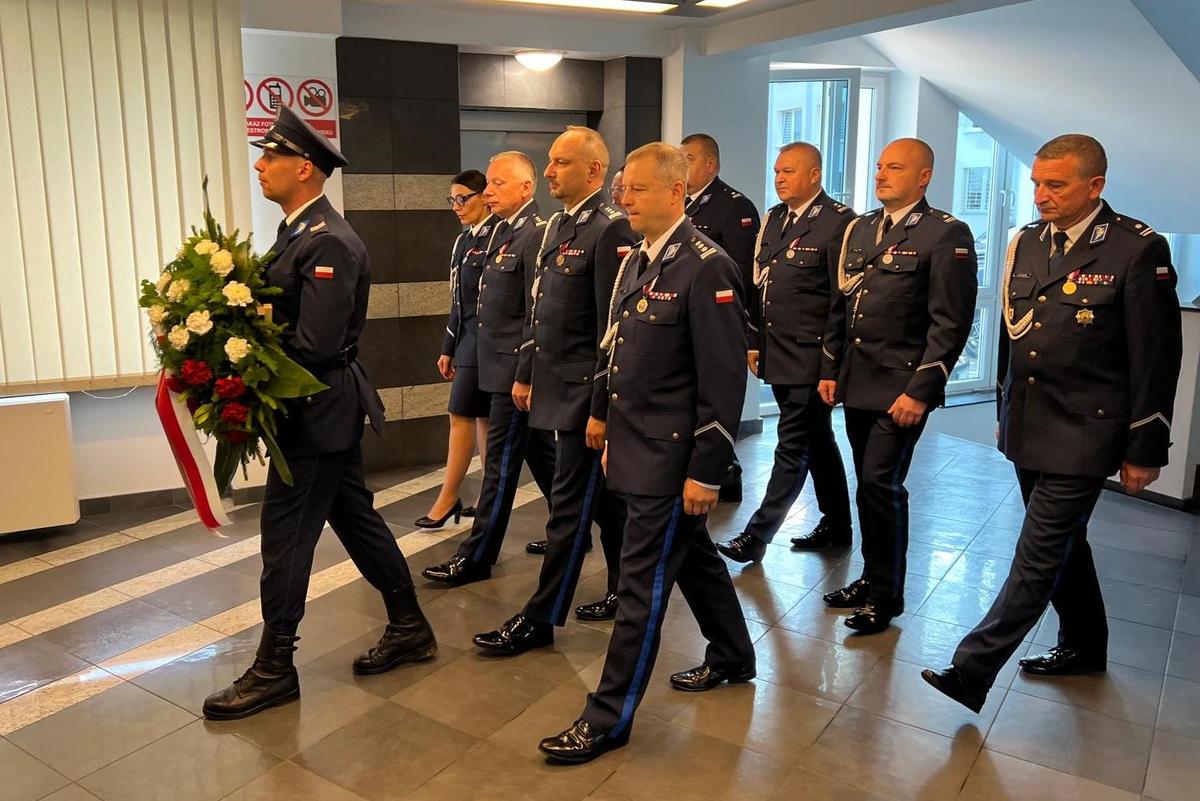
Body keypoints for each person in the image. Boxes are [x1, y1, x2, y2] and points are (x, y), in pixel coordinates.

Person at [922, 134, 1182, 712]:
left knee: (1037, 554)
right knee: (1066, 544)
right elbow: (1013, 338)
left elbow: (1157, 357)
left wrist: (1146, 446)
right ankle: (1085, 645)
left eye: (1056, 185)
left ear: (1095, 185)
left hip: (1088, 431)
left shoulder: (1136, 248)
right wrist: (1003, 410)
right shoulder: (1029, 242)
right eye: (1037, 182)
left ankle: (972, 670)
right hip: (1030, 422)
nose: (1041, 195)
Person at [203, 106, 436, 720]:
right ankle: (409, 625)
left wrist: (240, 356)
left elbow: (316, 344)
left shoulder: (327, 239)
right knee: (355, 518)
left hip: (316, 412)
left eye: (270, 156)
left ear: (303, 167)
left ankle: (275, 668)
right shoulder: (297, 232)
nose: (260, 166)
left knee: (285, 540)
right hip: (315, 409)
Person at [538, 142, 754, 764]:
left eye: (636, 188)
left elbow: (722, 381)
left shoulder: (706, 266)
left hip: (671, 459)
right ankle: (735, 654)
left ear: (675, 192)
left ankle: (607, 717)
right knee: (693, 560)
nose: (623, 198)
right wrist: (605, 423)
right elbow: (615, 350)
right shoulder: (641, 258)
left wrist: (706, 472)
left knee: (639, 588)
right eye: (623, 188)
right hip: (635, 446)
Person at [466, 126, 637, 643]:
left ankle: (540, 619)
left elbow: (611, 329)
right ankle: (625, 588)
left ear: (594, 170)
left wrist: (601, 408)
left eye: (561, 162)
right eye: (550, 161)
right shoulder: (558, 226)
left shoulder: (609, 230)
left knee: (567, 509)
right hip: (556, 386)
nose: (549, 171)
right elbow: (538, 310)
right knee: (603, 504)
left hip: (584, 394)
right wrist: (526, 373)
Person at [821, 138, 977, 634]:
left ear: (924, 176)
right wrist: (830, 368)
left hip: (902, 387)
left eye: (895, 168)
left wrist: (921, 390)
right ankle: (871, 577)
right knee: (867, 486)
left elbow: (950, 323)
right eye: (879, 166)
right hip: (859, 379)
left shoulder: (944, 233)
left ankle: (887, 596)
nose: (881, 175)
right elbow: (842, 305)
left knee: (880, 484)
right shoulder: (862, 228)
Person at [420, 152, 556, 584]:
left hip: (514, 370)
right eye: (490, 184)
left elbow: (536, 312)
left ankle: (476, 557)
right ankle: (573, 529)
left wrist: (525, 373)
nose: (490, 192)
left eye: (499, 184)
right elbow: (474, 303)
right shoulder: (501, 231)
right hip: (493, 364)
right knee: (543, 457)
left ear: (526, 188)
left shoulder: (534, 233)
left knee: (498, 465)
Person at [716, 142, 854, 564]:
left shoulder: (839, 222)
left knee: (792, 445)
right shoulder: (775, 219)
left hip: (812, 359)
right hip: (778, 353)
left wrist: (830, 364)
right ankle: (838, 525)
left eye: (789, 171)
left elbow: (841, 302)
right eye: (777, 171)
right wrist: (754, 340)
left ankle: (757, 536)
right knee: (818, 440)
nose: (779, 178)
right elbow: (761, 287)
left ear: (814, 175)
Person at [679, 133, 761, 503]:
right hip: (684, 321)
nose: (682, 166)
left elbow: (740, 276)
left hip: (717, 323)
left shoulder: (734, 207)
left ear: (711, 164)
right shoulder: (682, 203)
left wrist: (746, 335)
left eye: (689, 159)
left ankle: (724, 473)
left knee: (713, 401)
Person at [414, 170, 493, 528]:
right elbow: (457, 302)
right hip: (466, 342)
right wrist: (448, 346)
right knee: (479, 418)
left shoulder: (498, 236)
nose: (457, 206)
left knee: (462, 415)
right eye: (453, 200)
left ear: (484, 196)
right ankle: (487, 497)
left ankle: (448, 498)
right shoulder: (463, 241)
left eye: (463, 198)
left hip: (486, 344)